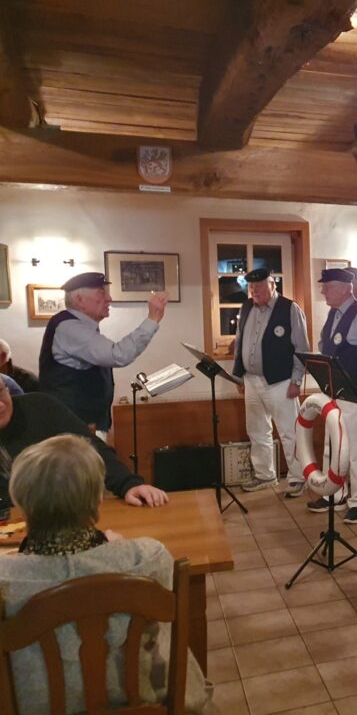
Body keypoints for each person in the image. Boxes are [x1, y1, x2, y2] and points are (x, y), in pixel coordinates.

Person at [0, 434, 212, 714]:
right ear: (98, 496)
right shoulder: (148, 557)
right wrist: (119, 547)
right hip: (141, 701)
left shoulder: (6, 579)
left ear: (20, 499)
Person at [38, 272, 168, 433]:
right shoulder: (70, 328)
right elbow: (118, 355)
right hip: (70, 429)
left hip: (82, 424)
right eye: (102, 293)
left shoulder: (79, 326)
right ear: (79, 299)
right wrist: (152, 319)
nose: (109, 299)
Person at [0, 387, 168, 507]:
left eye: (1, 391)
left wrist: (129, 485)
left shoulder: (40, 406)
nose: (1, 404)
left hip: (62, 518)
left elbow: (91, 448)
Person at [232, 268, 309, 497]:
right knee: (257, 430)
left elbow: (302, 348)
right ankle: (265, 475)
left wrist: (297, 380)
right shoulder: (246, 307)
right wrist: (238, 375)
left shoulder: (289, 308)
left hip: (281, 381)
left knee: (289, 432)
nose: (254, 291)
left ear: (273, 285)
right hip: (251, 380)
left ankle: (298, 477)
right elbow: (239, 341)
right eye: (251, 287)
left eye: (259, 286)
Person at [314, 268, 357, 523]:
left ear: (345, 288)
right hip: (335, 388)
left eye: (328, 286)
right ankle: (335, 493)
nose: (323, 291)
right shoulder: (333, 313)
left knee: (356, 448)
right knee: (334, 445)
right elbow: (324, 345)